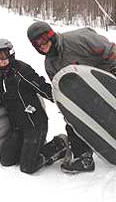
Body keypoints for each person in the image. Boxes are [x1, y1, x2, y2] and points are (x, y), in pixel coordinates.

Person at [27, 21, 116, 173]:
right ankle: (83, 157)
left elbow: (110, 50)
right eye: (36, 44)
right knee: (74, 122)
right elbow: (62, 89)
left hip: (108, 80)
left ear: (50, 34)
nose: (41, 45)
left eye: (42, 39)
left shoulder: (79, 39)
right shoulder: (50, 64)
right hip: (86, 94)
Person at [0, 38, 68, 174]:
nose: (0, 61)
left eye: (3, 56)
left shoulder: (21, 71)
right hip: (18, 128)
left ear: (11, 54)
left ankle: (59, 144)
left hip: (35, 125)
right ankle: (31, 149)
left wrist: (64, 102)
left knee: (27, 167)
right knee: (6, 160)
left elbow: (42, 88)